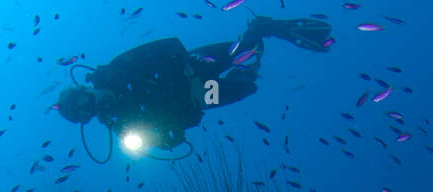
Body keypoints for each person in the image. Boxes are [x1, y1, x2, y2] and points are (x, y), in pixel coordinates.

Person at [56, 14, 332, 157]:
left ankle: (261, 28)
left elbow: (169, 45)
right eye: (90, 111)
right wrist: (160, 140)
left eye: (90, 99)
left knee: (248, 51)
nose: (98, 104)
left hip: (194, 67)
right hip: (199, 101)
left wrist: (192, 79)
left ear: (87, 88)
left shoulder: (116, 69)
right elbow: (173, 138)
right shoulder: (120, 123)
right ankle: (260, 33)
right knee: (248, 85)